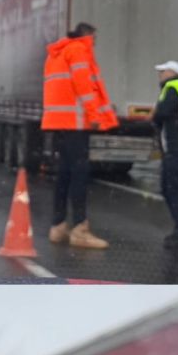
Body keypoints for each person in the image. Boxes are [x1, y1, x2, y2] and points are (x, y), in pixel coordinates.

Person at [41, 22, 117, 248]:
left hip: (59, 122)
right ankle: (80, 229)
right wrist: (94, 114)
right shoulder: (78, 50)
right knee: (79, 174)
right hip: (76, 122)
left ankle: (58, 225)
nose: (94, 43)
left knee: (64, 174)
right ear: (87, 36)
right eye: (94, 39)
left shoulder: (56, 53)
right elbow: (84, 86)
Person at [151, 61, 178, 250]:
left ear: (172, 72)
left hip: (176, 149)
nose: (160, 74)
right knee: (168, 189)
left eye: (163, 71)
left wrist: (155, 115)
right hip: (174, 149)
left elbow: (161, 113)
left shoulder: (173, 87)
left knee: (174, 190)